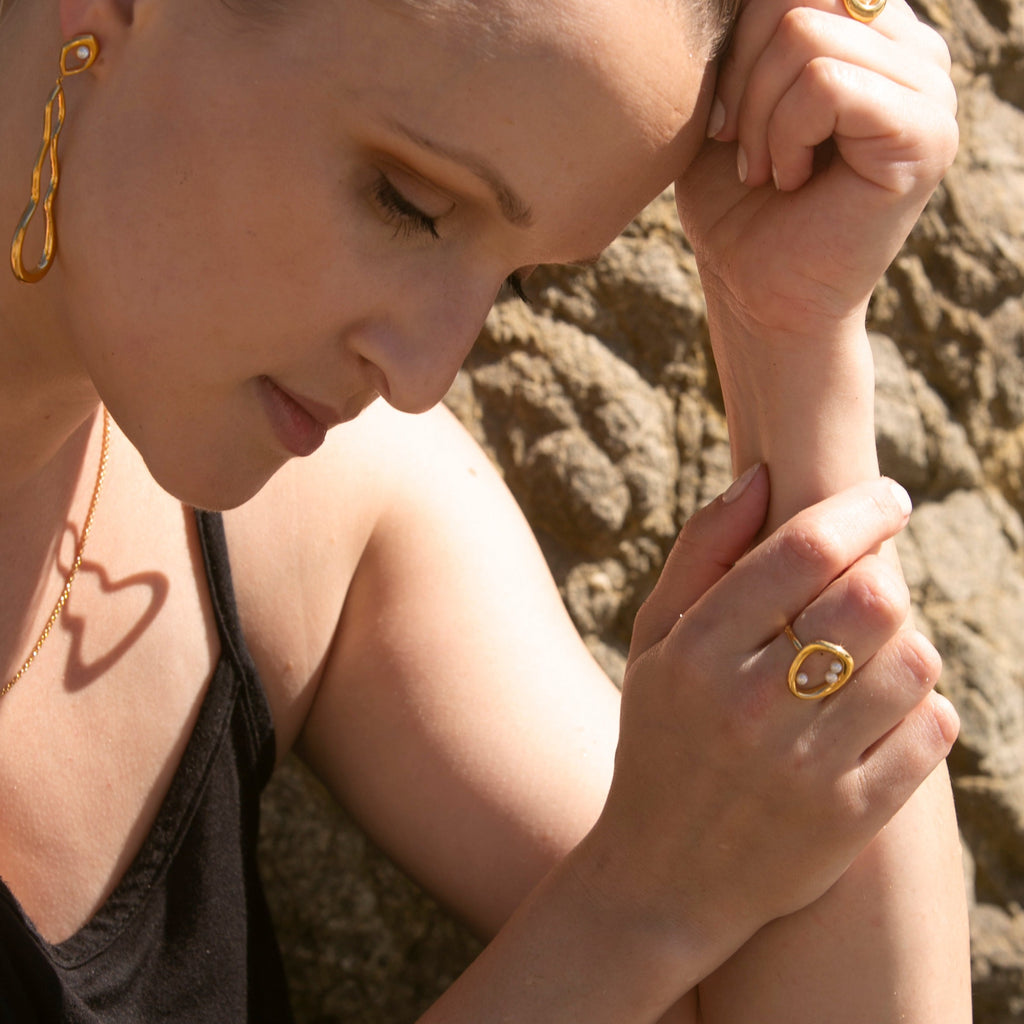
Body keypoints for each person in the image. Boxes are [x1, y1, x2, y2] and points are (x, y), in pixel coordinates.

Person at [0, 0, 970, 1020]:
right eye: (410, 202)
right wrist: (629, 913)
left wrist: (785, 325)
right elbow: (669, 902)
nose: (424, 376)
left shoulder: (326, 510)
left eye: (513, 280)